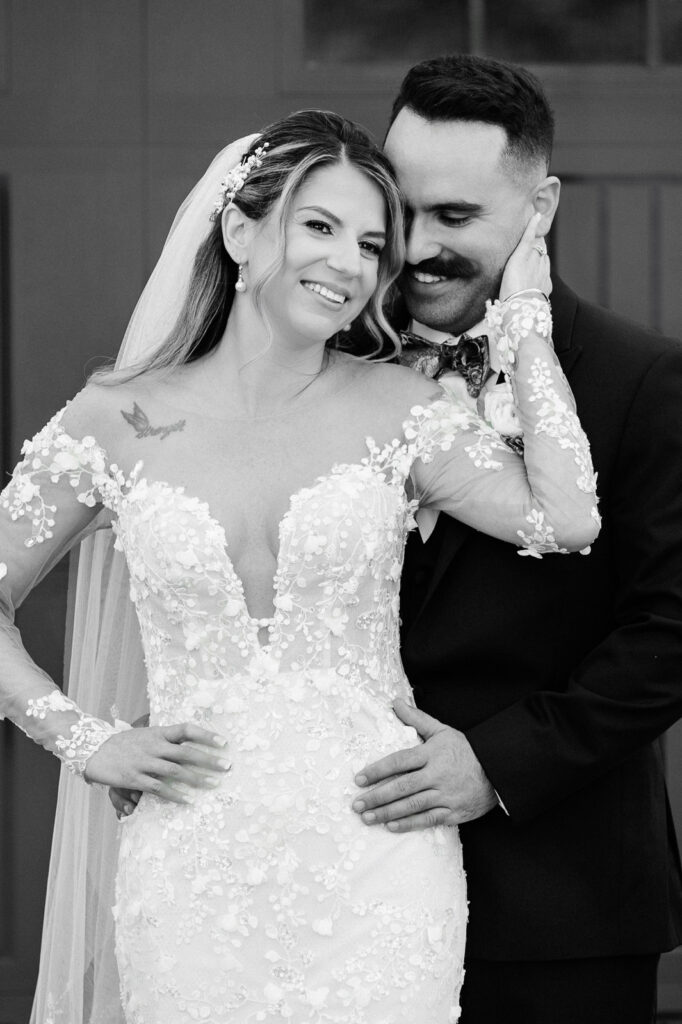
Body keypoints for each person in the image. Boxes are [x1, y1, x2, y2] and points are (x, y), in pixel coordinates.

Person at [0, 108, 598, 1024]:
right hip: (192, 853)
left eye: (371, 244)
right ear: (239, 229)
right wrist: (88, 741)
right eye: (319, 227)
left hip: (378, 850)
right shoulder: (115, 418)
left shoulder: (402, 406)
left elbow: (567, 518)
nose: (351, 264)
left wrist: (525, 320)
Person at [348, 55, 682, 1024]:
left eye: (453, 218)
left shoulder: (642, 378)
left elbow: (668, 630)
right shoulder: (324, 369)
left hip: (556, 900)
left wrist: (493, 764)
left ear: (539, 204)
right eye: (399, 209)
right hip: (340, 873)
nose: (414, 247)